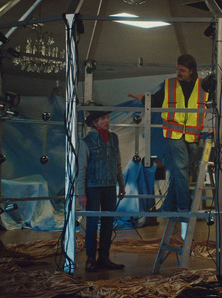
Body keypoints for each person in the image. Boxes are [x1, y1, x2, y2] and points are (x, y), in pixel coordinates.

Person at [128, 54, 208, 214]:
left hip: (193, 136)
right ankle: (184, 207)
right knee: (181, 168)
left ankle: (169, 206)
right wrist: (143, 98)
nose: (178, 73)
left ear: (191, 71)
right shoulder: (169, 85)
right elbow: (156, 101)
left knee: (181, 172)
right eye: (177, 69)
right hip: (174, 133)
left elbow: (212, 105)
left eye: (182, 70)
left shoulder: (203, 87)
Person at [77, 106, 126, 272]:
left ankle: (104, 258)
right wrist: (81, 193)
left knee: (108, 223)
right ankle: (90, 258)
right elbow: (81, 168)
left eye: (107, 117)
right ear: (95, 123)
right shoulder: (86, 141)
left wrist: (121, 184)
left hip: (110, 187)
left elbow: (118, 163)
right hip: (93, 187)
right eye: (103, 118)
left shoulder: (113, 139)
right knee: (92, 223)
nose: (107, 121)